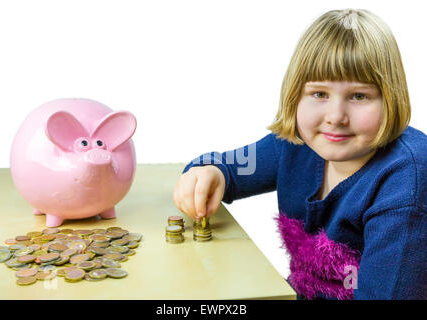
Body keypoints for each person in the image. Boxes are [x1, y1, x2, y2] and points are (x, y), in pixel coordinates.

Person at [172, 9, 427, 300]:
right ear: (296, 96)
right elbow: (226, 168)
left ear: (391, 98)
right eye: (319, 93)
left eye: (359, 96)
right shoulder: (295, 144)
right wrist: (209, 173)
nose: (335, 117)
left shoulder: (406, 181)